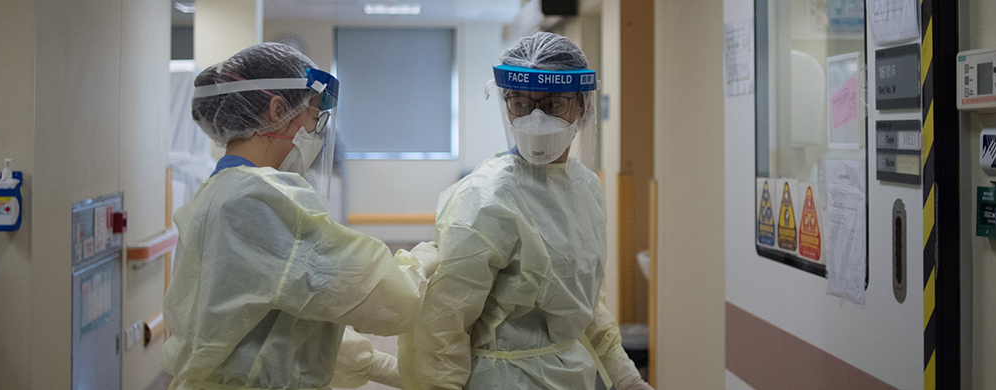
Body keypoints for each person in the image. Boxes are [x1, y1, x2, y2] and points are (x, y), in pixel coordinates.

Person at [162, 42, 437, 390]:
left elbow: (293, 321)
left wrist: (387, 370)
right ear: (278, 110)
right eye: (313, 118)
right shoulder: (259, 200)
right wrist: (423, 260)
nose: (318, 135)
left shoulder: (219, 193)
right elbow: (389, 299)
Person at [398, 32, 654, 390]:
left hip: (572, 376)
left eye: (552, 106)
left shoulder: (586, 189)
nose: (535, 119)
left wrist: (625, 377)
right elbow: (443, 324)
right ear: (506, 106)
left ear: (583, 107)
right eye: (520, 104)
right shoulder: (485, 197)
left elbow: (585, 304)